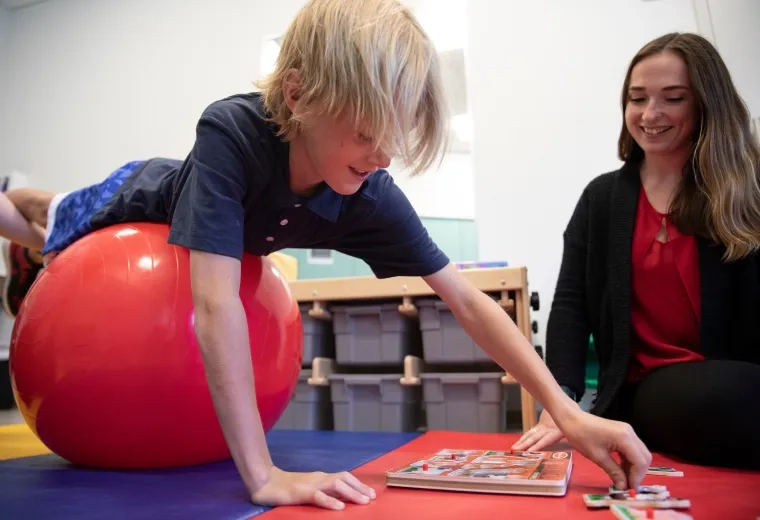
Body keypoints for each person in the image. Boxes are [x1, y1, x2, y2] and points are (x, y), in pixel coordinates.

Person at [0, 0, 652, 510]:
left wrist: (568, 411)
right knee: (40, 221)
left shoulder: (368, 190)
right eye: (368, 132)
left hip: (211, 230)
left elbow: (467, 301)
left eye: (394, 136)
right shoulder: (232, 131)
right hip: (140, 200)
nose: (383, 155)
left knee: (38, 222)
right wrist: (261, 475)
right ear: (297, 94)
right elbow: (213, 303)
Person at [513, 32, 760, 471]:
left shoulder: (744, 191)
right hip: (647, 386)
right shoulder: (602, 199)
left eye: (673, 98)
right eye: (637, 98)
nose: (650, 114)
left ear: (706, 103)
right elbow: (571, 305)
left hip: (734, 373)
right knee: (731, 398)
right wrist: (562, 400)